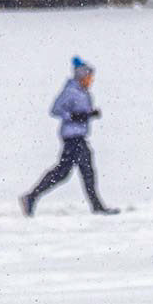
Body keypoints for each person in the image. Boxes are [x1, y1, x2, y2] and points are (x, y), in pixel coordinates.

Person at [23, 57, 119, 216]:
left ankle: (96, 205)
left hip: (79, 137)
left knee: (76, 171)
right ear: (81, 76)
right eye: (89, 77)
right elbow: (55, 110)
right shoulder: (70, 91)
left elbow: (81, 113)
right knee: (68, 172)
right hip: (72, 138)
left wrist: (90, 114)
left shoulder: (83, 92)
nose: (91, 80)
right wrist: (74, 116)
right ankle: (31, 196)